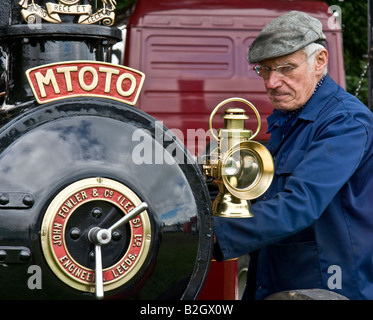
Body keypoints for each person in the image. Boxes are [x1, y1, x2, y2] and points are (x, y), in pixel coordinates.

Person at [213, 11, 373, 300]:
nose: (272, 82)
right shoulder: (289, 119)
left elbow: (300, 203)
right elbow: (262, 193)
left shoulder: (346, 122)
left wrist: (214, 234)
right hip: (277, 281)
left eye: (286, 68)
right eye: (265, 69)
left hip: (328, 287)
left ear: (320, 61)